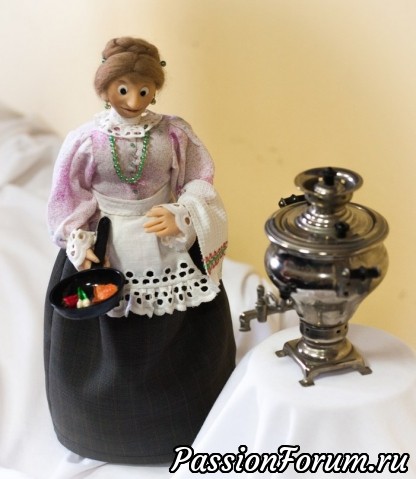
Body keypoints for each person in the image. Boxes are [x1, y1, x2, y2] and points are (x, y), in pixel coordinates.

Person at [44, 37, 236, 465]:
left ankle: (187, 422)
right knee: (98, 322)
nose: (133, 100)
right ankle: (95, 430)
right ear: (105, 89)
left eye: (144, 90)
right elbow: (68, 194)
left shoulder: (173, 133)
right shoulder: (86, 140)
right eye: (123, 90)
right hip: (105, 243)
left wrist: (183, 213)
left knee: (184, 332)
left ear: (155, 89)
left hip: (164, 238)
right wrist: (78, 238)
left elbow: (199, 180)